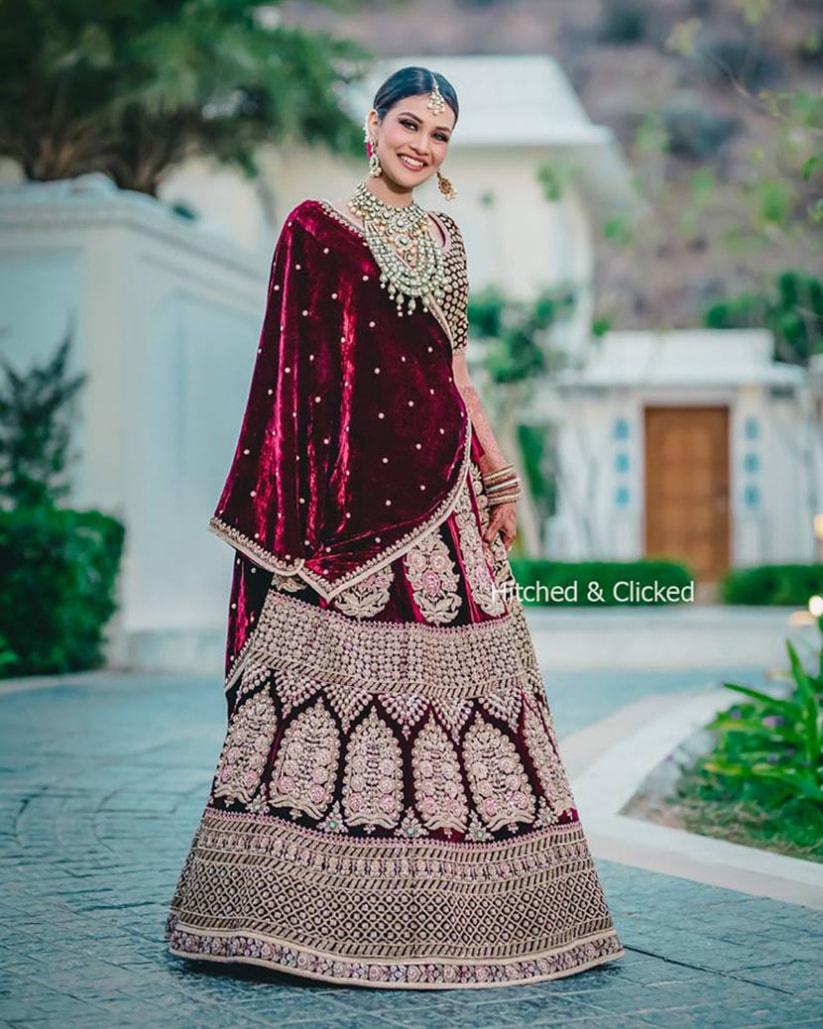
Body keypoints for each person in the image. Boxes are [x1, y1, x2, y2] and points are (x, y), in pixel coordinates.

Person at [165, 66, 625, 990]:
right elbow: (294, 386)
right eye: (409, 124)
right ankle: (282, 914)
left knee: (477, 701)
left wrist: (499, 472)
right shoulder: (315, 230)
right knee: (321, 698)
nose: (422, 145)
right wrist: (304, 518)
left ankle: (485, 914)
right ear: (372, 125)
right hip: (348, 513)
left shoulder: (447, 238)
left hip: (445, 492)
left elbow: (455, 366)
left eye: (440, 135)